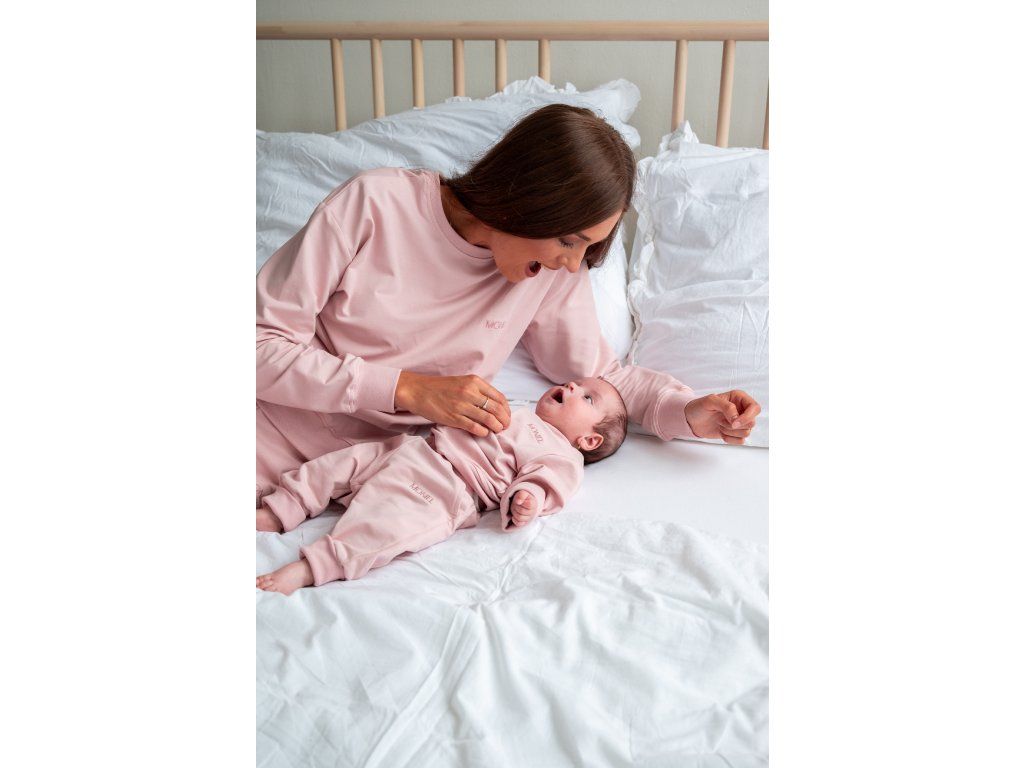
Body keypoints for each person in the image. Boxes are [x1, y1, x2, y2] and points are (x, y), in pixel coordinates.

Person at [255, 103, 760, 538]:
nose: (572, 263)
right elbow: (258, 346)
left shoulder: (550, 275)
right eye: (568, 240)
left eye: (586, 247)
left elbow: (603, 377)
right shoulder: (375, 205)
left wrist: (686, 410)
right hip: (270, 434)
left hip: (377, 479)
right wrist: (407, 389)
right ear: (527, 196)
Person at [256, 377, 628, 594]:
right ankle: (280, 510)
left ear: (589, 440)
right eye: (576, 382)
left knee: (385, 527)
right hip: (416, 449)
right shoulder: (520, 409)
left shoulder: (563, 454)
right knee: (338, 464)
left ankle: (313, 567)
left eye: (587, 397)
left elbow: (547, 483)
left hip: (447, 488)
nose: (573, 385)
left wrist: (527, 497)